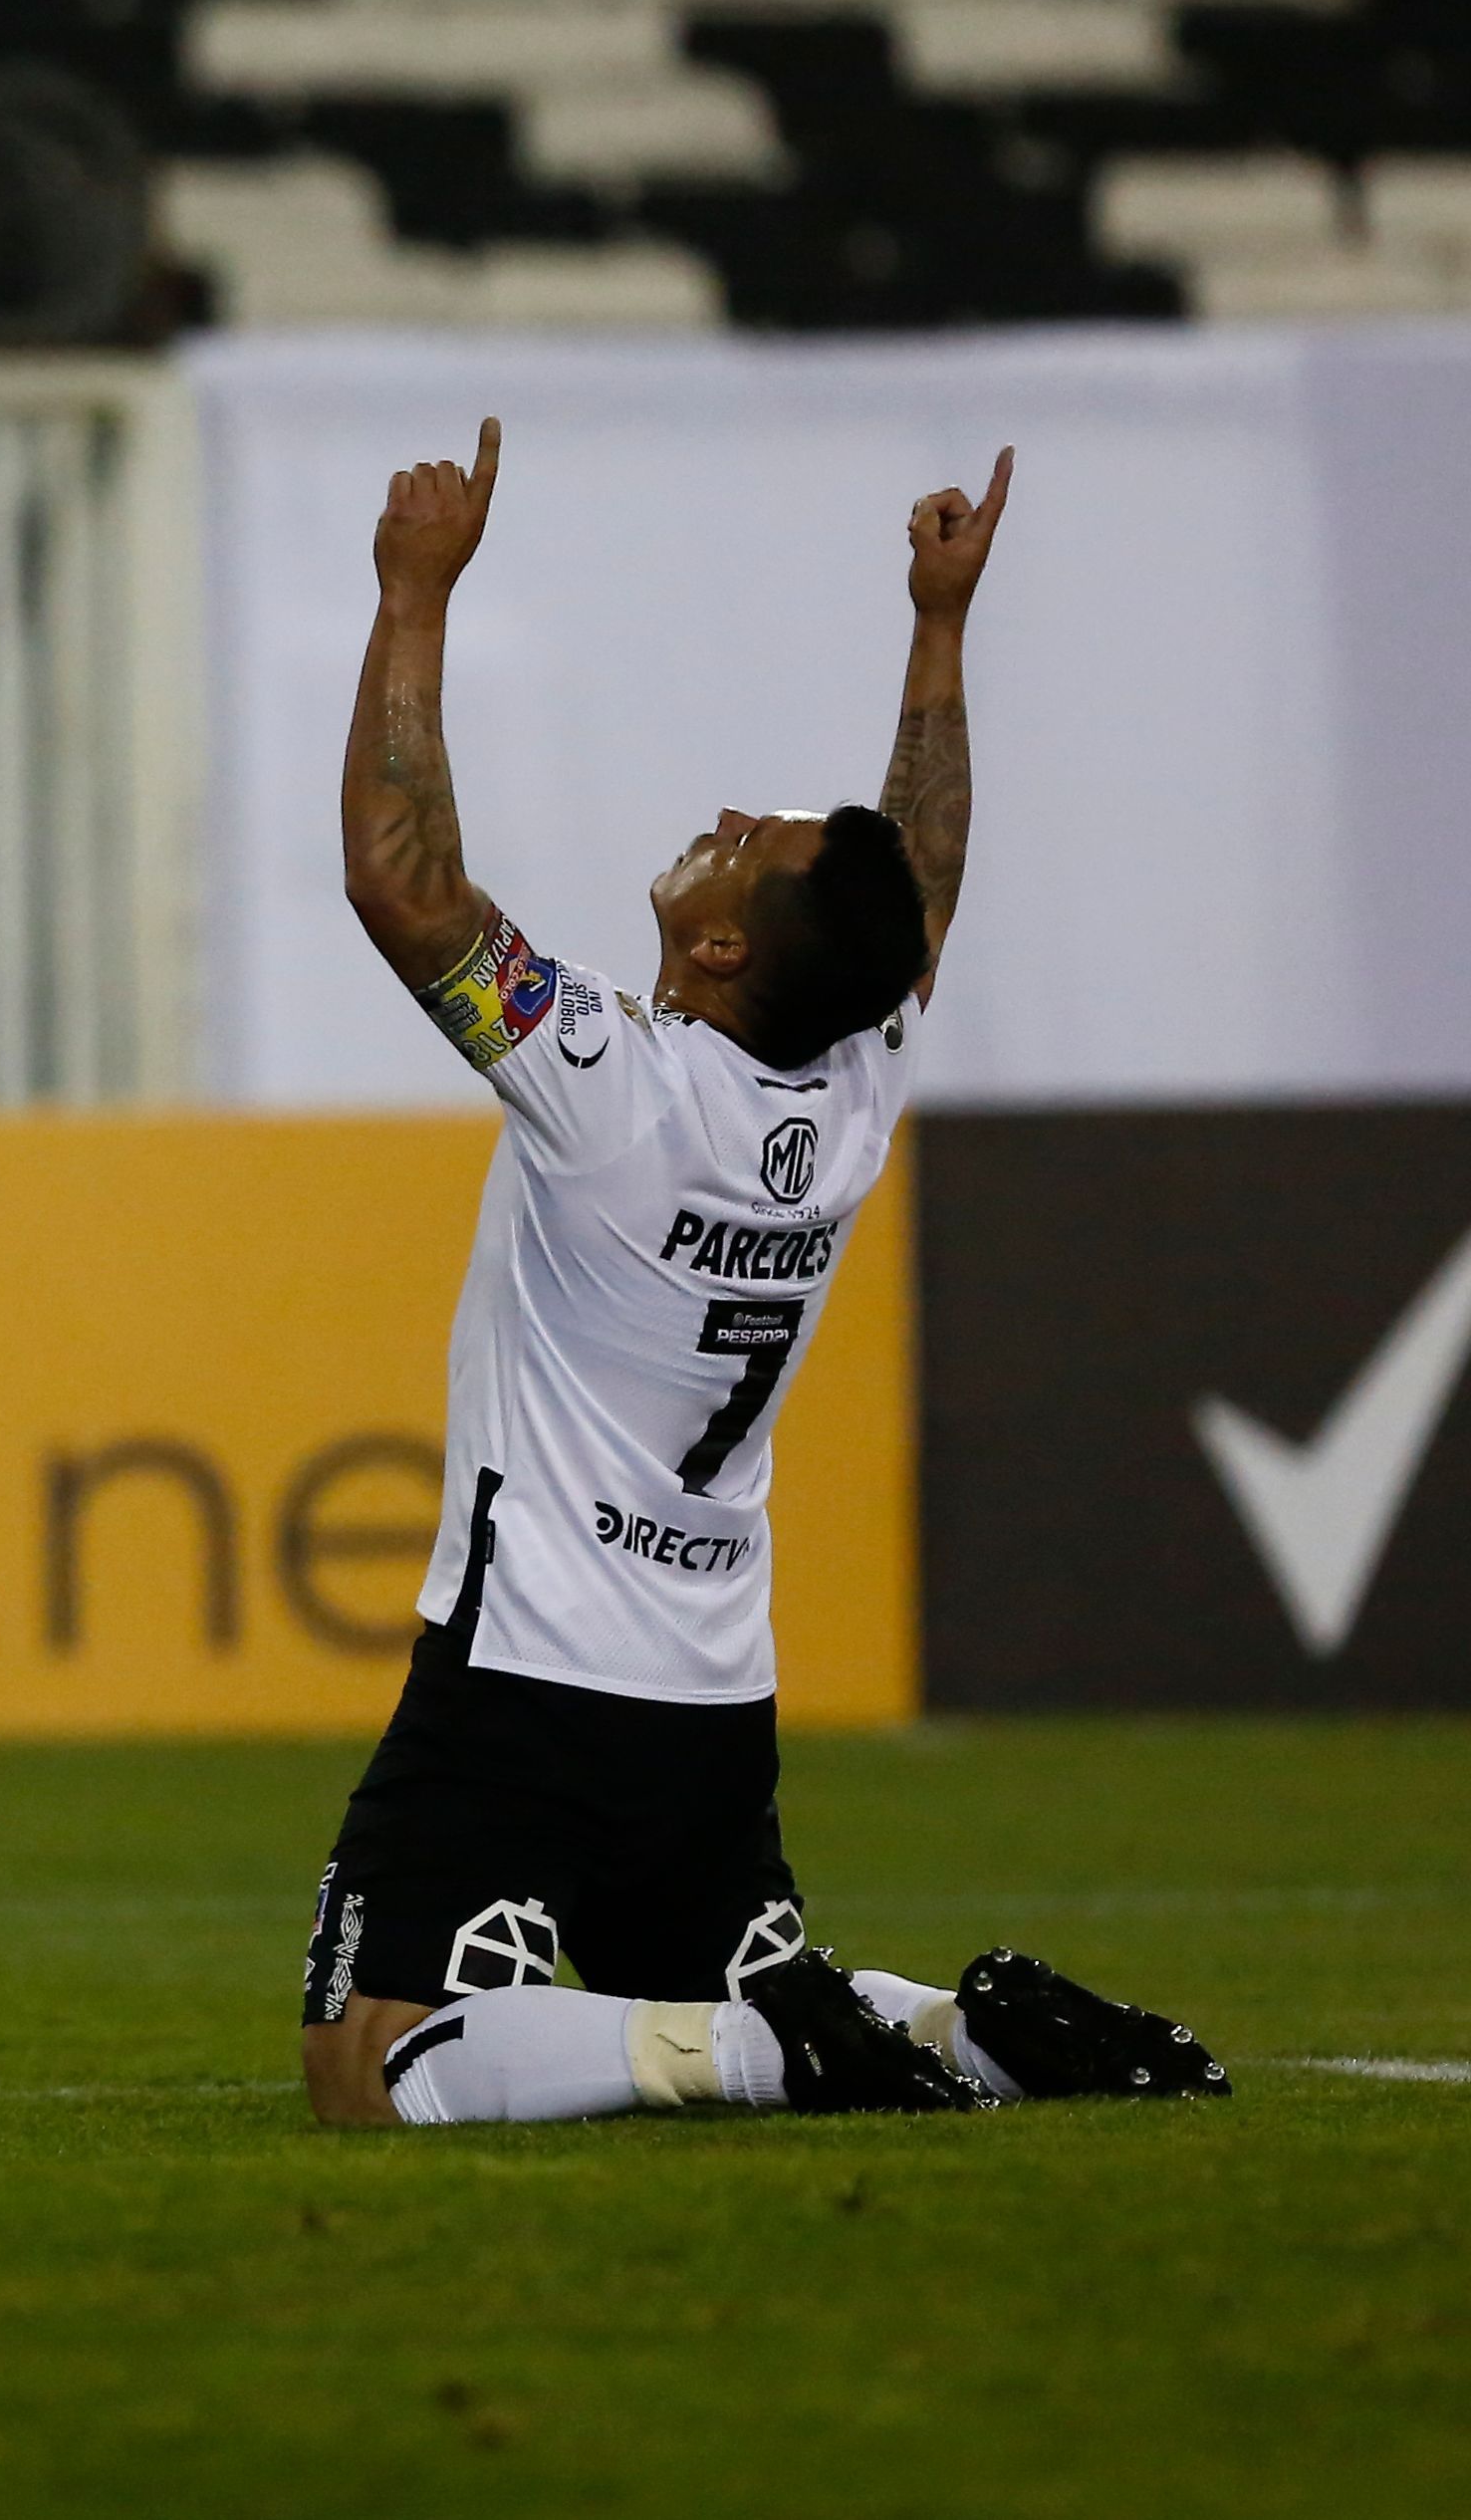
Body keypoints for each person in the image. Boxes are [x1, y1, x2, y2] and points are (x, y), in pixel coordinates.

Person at [295, 417, 1228, 2132]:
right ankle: (968, 2033)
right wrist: (939, 633)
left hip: (530, 1673)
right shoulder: (855, 1084)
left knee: (373, 2066)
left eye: (750, 840)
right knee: (704, 1974)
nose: (727, 817)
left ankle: (761, 2050)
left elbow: (401, 880)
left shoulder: (614, 1091)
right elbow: (915, 886)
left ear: (720, 949)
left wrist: (410, 590)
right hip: (710, 1691)